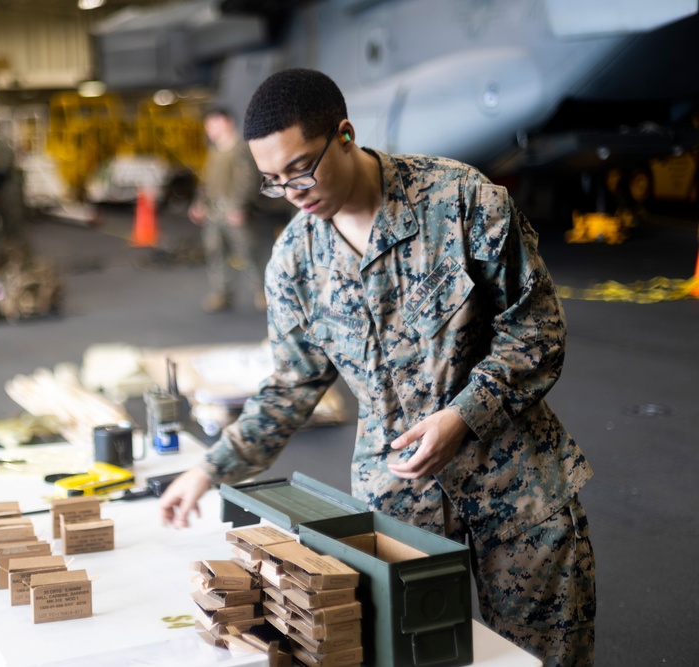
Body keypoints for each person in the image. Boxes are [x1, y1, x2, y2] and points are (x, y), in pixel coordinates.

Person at [159, 68, 595, 667]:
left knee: (539, 663)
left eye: (302, 168)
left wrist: (464, 418)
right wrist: (210, 469)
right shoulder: (294, 262)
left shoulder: (461, 200)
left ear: (344, 134)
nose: (294, 192)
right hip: (399, 509)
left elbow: (538, 330)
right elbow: (290, 385)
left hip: (516, 492)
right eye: (274, 182)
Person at [188, 107, 264, 313]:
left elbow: (247, 180)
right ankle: (222, 293)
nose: (209, 128)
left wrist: (239, 206)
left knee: (247, 252)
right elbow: (206, 181)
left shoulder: (239, 149)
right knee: (215, 254)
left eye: (213, 123)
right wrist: (199, 203)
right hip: (213, 213)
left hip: (233, 212)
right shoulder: (214, 150)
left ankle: (263, 292)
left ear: (227, 122)